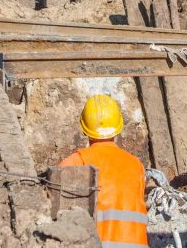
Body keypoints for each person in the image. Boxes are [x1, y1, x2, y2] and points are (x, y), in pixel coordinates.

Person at [59, 95, 149, 247]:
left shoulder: (78, 160)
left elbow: (51, 195)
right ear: (118, 128)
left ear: (84, 128)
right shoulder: (136, 165)